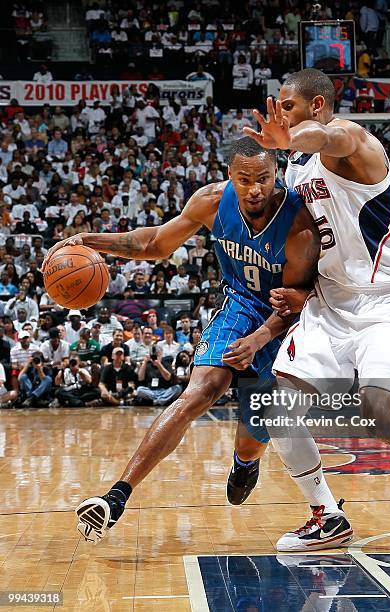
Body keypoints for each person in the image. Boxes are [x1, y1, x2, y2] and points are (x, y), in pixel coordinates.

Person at [43, 137, 336, 547]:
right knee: (199, 392)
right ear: (230, 175)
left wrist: (258, 338)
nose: (255, 189)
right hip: (237, 310)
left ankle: (245, 462)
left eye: (264, 179)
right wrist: (89, 240)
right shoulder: (213, 201)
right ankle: (116, 496)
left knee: (252, 441)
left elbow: (295, 301)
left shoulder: (298, 226)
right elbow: (154, 244)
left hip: (281, 325)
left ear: (277, 176)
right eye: (245, 179)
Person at [243, 68, 390, 549]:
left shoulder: (353, 140)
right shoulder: (295, 170)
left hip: (388, 300)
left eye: (288, 108)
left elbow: (324, 136)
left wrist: (293, 135)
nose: (281, 117)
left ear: (315, 106)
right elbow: (316, 241)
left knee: (377, 406)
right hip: (330, 301)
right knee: (278, 407)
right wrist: (302, 289)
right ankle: (326, 514)